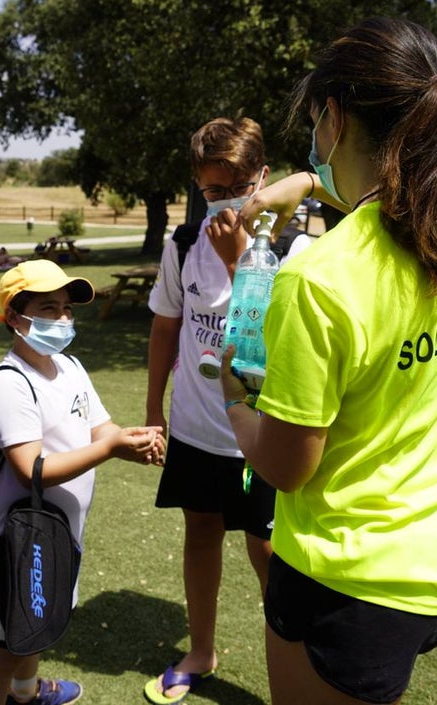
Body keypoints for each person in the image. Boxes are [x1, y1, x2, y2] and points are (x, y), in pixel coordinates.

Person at [222, 18, 437, 704]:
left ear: (335, 119)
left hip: (345, 579)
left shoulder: (319, 280)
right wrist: (308, 185)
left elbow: (286, 468)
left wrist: (233, 398)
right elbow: (395, 199)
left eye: (316, 121)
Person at [142, 116, 310, 705]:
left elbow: (277, 337)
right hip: (196, 428)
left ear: (263, 177)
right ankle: (201, 650)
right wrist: (154, 409)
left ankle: (294, 672)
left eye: (237, 187)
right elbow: (166, 327)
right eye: (212, 190)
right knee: (200, 534)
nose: (226, 201)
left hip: (261, 434)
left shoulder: (296, 251)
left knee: (268, 552)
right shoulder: (184, 244)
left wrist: (241, 258)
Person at [0, 260, 165, 705]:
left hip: (61, 528)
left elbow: (100, 428)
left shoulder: (70, 367)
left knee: (40, 617)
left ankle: (26, 693)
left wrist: (131, 439)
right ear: (13, 317)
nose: (62, 318)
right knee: (7, 641)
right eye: (48, 308)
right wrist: (111, 448)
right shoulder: (11, 384)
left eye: (66, 308)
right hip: (22, 534)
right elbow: (32, 468)